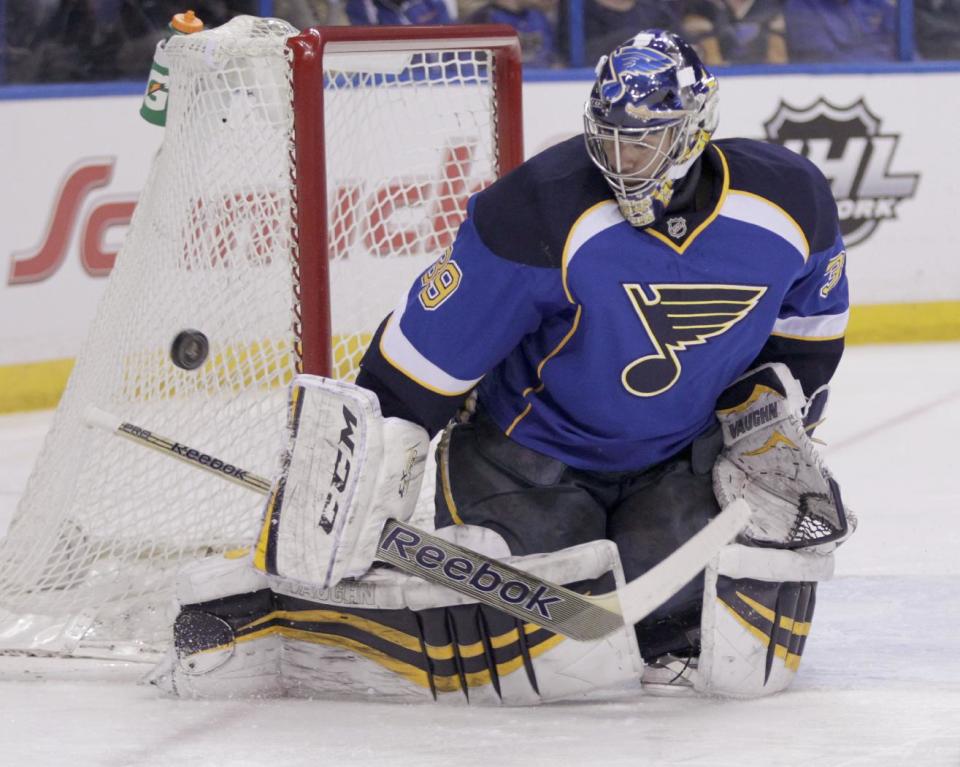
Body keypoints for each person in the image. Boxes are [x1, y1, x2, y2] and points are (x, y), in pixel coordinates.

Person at [155, 29, 854, 704]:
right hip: (525, 461)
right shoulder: (539, 209)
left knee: (699, 638)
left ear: (693, 132)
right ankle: (293, 622)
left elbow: (810, 331)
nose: (620, 155)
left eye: (643, 139)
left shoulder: (788, 201)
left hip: (674, 458)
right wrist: (364, 469)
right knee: (532, 647)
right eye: (607, 134)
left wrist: (772, 415)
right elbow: (420, 363)